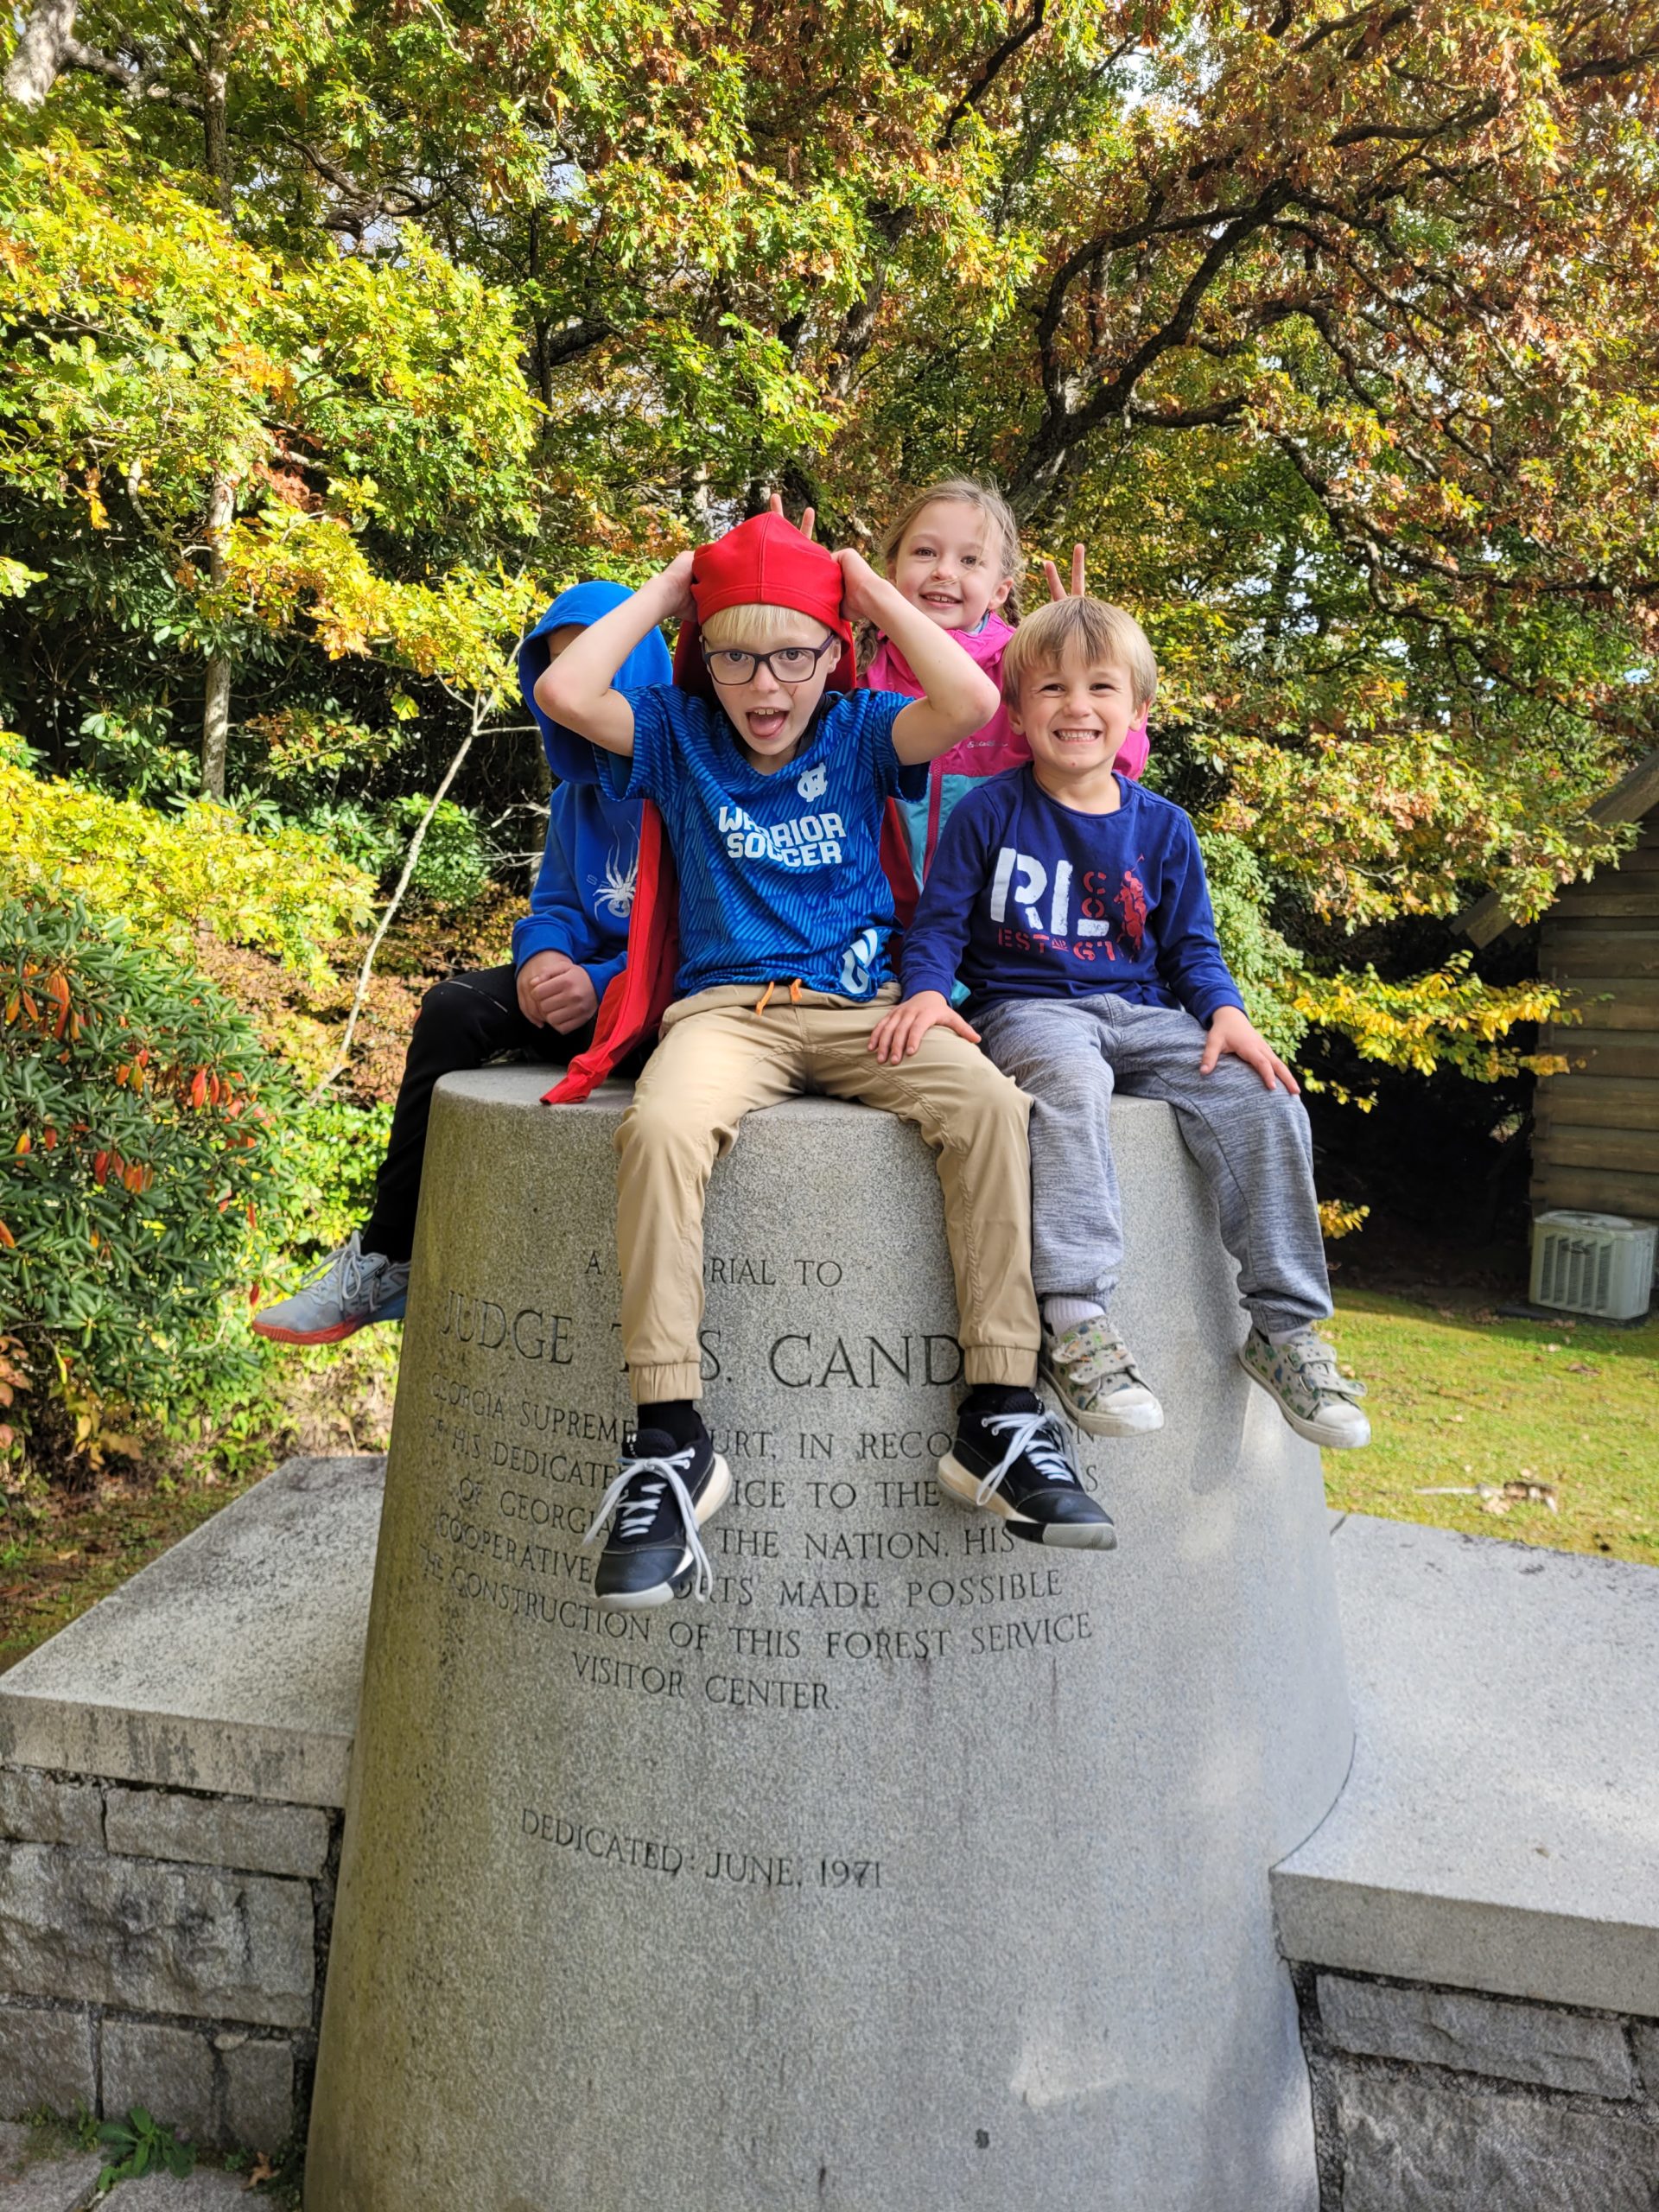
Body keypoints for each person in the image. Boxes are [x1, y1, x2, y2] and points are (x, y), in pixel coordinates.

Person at [536, 510, 1116, 1609]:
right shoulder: (677, 732)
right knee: (659, 1127)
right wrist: (673, 589)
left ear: (831, 652)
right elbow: (566, 697)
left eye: (794, 654)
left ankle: (997, 1415)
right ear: (706, 659)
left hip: (868, 1008)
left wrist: (859, 581)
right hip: (728, 1011)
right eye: (740, 657)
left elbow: (976, 702)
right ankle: (669, 1437)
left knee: (991, 1107)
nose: (767, 685)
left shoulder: (859, 730)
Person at [872, 594, 1371, 1452]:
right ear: (1020, 712)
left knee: (1264, 1091)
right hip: (1026, 1008)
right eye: (1052, 689)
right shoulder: (986, 812)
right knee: (1069, 1081)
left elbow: (1193, 950)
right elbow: (942, 925)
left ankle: (1285, 1332)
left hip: (1142, 1012)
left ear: (1137, 712)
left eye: (1101, 688)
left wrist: (1228, 1016)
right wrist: (924, 990)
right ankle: (1074, 1324)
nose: (1077, 706)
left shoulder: (1164, 828)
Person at [251, 583, 668, 1345]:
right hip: (582, 997)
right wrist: (545, 960)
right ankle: (388, 1258)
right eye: (558, 676)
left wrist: (600, 983)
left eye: (595, 670)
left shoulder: (685, 779)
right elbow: (556, 902)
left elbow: (698, 934)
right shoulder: (577, 791)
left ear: (636, 665)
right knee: (452, 1007)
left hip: (659, 1001)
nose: (575, 697)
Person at [864, 479, 1150, 889]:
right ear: (892, 573)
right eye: (925, 552)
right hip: (880, 919)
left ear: (1000, 590)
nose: (944, 570)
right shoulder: (862, 670)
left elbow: (1119, 769)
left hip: (997, 929)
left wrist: (1081, 667)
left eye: (970, 560)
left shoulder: (1023, 675)